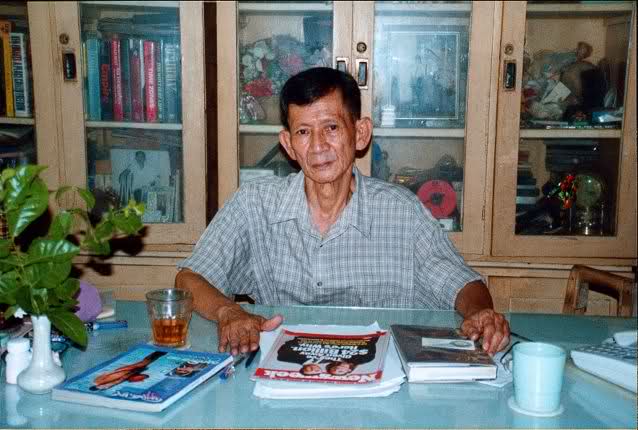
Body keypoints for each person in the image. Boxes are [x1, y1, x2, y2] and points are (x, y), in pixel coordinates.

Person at [176, 67, 510, 357]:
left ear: (360, 133)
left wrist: (480, 312)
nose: (318, 146)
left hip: (380, 375)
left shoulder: (401, 211)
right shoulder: (255, 204)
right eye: (303, 132)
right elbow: (189, 279)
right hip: (285, 371)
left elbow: (462, 283)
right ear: (288, 144)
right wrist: (229, 312)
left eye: (332, 128)